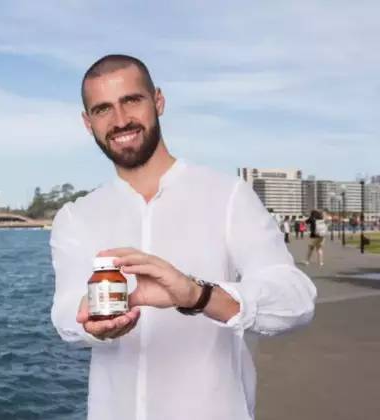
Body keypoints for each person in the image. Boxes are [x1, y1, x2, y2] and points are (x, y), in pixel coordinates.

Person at [50, 54, 316, 420]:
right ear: (87, 122)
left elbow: (295, 300)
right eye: (103, 109)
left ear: (158, 101)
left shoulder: (228, 196)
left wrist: (197, 295)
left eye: (132, 100)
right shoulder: (75, 217)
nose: (120, 120)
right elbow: (65, 314)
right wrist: (92, 322)